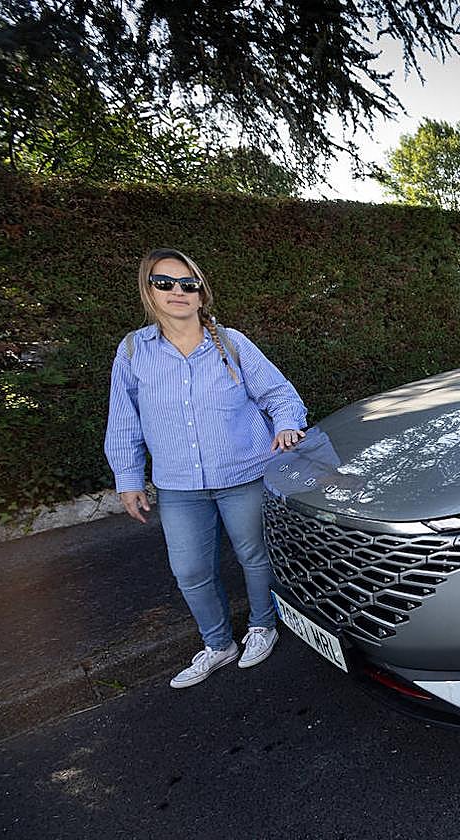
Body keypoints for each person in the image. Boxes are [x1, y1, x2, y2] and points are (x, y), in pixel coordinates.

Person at [104, 248, 306, 689]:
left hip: (244, 474)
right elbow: (124, 419)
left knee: (255, 556)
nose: (177, 291)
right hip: (178, 486)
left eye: (187, 283)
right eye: (165, 282)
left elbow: (280, 394)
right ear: (148, 289)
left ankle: (262, 626)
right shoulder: (134, 351)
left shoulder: (231, 343)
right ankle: (218, 645)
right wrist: (128, 480)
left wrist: (288, 426)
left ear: (200, 294)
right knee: (191, 570)